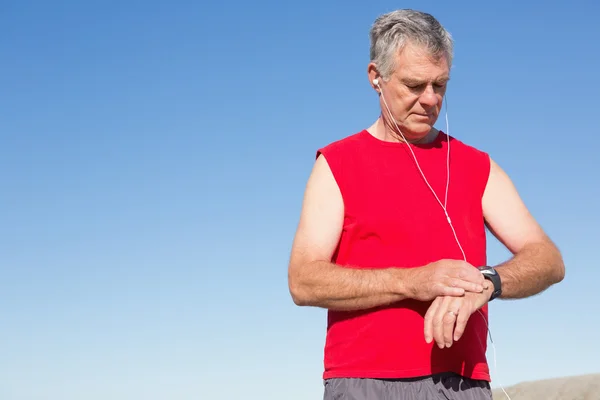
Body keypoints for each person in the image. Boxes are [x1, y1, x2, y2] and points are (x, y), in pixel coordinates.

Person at [287, 8, 565, 400]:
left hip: (464, 383)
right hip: (365, 382)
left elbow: (548, 260)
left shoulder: (477, 165)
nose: (431, 99)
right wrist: (413, 281)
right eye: (414, 85)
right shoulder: (336, 164)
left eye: (440, 84)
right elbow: (303, 280)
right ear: (375, 78)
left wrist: (488, 282)